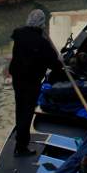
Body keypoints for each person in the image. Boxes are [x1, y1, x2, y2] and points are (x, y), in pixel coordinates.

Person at [8, 9, 64, 157]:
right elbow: (54, 64)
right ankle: (21, 147)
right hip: (31, 81)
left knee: (20, 108)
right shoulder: (42, 42)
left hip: (17, 79)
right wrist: (61, 64)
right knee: (27, 112)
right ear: (42, 23)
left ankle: (20, 136)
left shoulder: (19, 34)